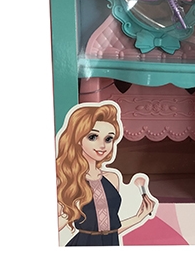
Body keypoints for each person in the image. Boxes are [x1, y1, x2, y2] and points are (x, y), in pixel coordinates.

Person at [56, 101, 156, 246]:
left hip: (111, 243)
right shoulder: (66, 179)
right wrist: (70, 212)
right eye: (93, 137)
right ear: (78, 139)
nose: (102, 145)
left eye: (108, 139)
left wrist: (139, 217)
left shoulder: (112, 178)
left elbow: (110, 230)